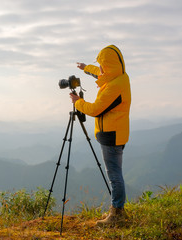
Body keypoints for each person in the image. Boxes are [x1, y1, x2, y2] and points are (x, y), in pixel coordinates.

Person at [70, 45, 131, 226]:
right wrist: (86, 67)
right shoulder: (119, 77)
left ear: (110, 65)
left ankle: (117, 214)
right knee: (115, 172)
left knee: (114, 174)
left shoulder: (114, 87)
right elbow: (100, 74)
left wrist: (78, 102)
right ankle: (117, 209)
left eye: (103, 64)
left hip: (111, 135)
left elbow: (96, 109)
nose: (101, 68)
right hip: (116, 132)